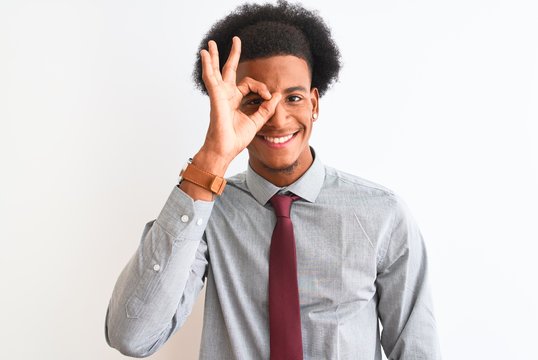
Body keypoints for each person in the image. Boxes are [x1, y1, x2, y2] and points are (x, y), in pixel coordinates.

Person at [105, 1, 441, 359]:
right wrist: (213, 157)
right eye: (254, 100)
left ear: (314, 104)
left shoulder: (383, 215)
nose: (277, 119)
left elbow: (417, 350)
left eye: (293, 98)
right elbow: (132, 336)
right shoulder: (206, 212)